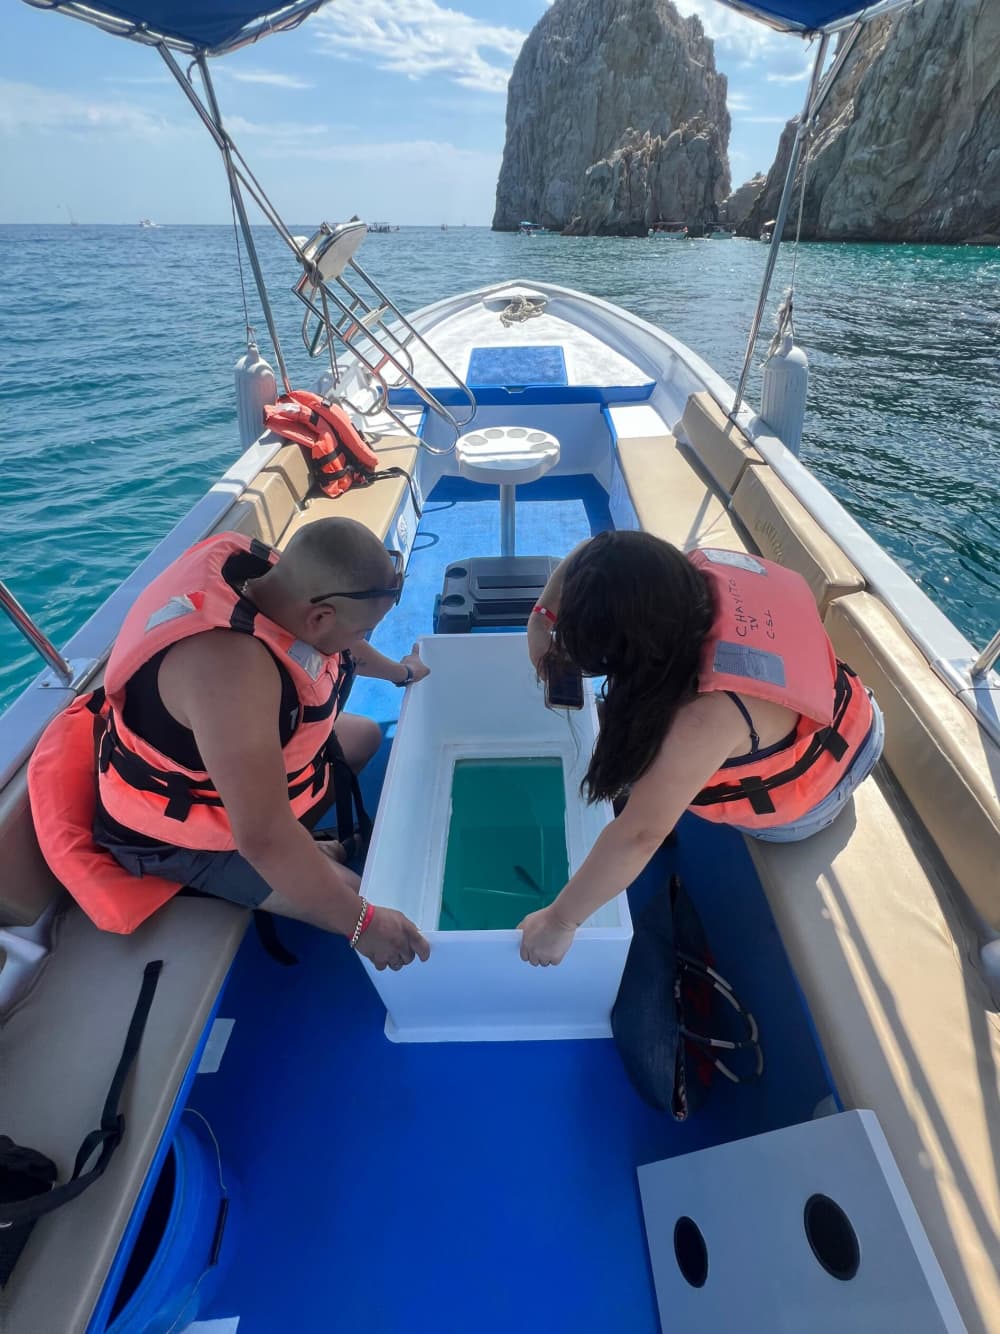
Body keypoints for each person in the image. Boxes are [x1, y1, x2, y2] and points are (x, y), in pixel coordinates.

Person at [519, 531, 884, 967]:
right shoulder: (674, 581)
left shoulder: (703, 719)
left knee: (653, 772)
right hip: (853, 707)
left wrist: (559, 922)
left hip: (821, 788)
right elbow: (599, 548)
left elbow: (640, 835)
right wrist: (542, 618)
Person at [88, 517, 431, 971]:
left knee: (364, 736)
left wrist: (401, 672)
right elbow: (264, 838)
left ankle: (311, 854)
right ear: (320, 617)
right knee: (358, 898)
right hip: (178, 830)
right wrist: (362, 926)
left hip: (231, 763)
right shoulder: (227, 673)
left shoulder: (264, 576)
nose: (360, 641)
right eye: (361, 631)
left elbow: (339, 648)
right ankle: (232, 879)